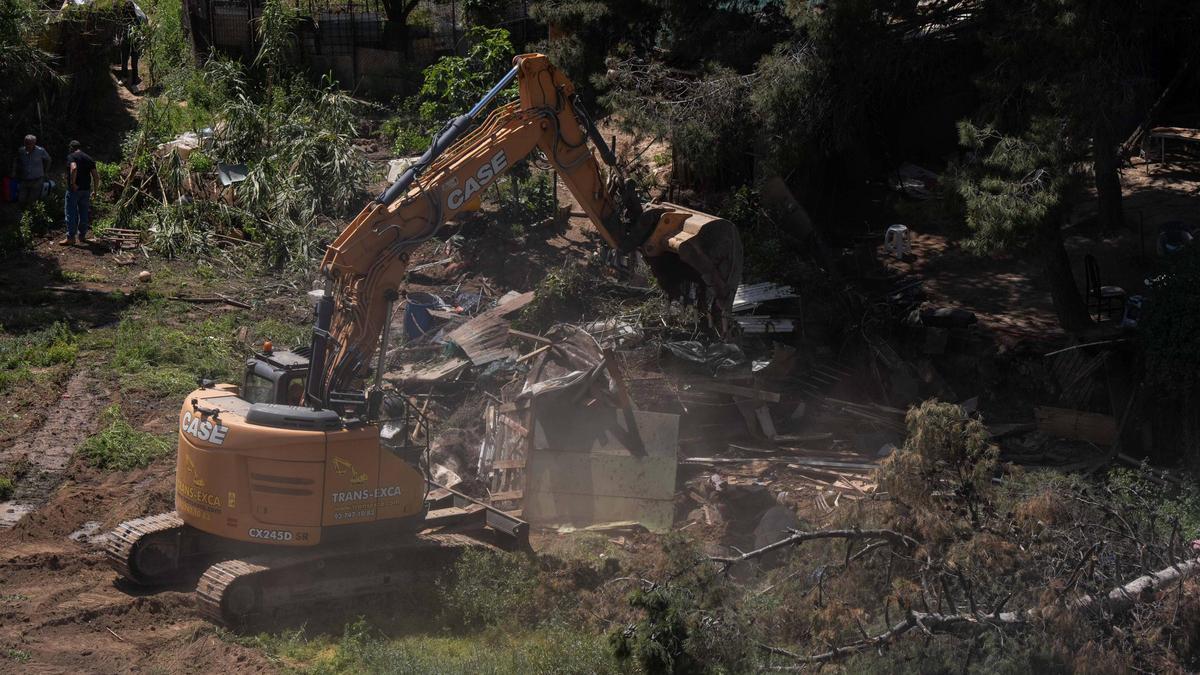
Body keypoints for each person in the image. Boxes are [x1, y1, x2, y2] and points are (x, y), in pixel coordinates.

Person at [62, 140, 99, 245]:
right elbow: (96, 176)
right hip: (86, 190)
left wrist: (73, 183)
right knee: (83, 213)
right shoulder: (89, 158)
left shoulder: (71, 157)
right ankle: (82, 236)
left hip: (74, 191)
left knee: (70, 213)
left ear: (71, 148)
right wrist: (95, 191)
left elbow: (74, 168)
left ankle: (71, 238)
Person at [12, 135, 50, 208]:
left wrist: (45, 171)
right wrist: (14, 171)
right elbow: (16, 160)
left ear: (34, 143)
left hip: (37, 179)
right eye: (26, 143)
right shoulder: (21, 150)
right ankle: (23, 215)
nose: (27, 146)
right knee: (21, 199)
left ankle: (30, 216)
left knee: (32, 201)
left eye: (29, 144)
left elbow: (48, 160)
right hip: (24, 179)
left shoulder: (40, 151)